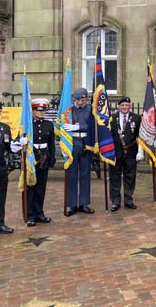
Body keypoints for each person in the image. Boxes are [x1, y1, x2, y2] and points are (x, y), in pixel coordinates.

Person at [63, 87, 96, 216]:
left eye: (82, 100)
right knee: (71, 175)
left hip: (85, 144)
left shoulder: (90, 109)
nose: (80, 102)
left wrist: (78, 126)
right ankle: (71, 204)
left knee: (85, 174)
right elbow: (63, 124)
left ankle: (84, 203)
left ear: (85, 98)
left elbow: (92, 125)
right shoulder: (69, 110)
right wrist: (64, 147)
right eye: (77, 100)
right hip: (73, 143)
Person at [26, 98, 56, 226]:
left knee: (41, 187)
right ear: (33, 111)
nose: (41, 113)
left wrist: (52, 158)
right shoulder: (28, 124)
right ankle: (30, 215)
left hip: (43, 157)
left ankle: (39, 213)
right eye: (39, 110)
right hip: (32, 157)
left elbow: (51, 143)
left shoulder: (48, 124)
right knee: (31, 187)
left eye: (43, 110)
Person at [109, 97, 141, 212]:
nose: (124, 107)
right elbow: (108, 136)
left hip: (131, 151)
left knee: (130, 176)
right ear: (118, 106)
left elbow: (140, 136)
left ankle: (128, 200)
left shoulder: (137, 118)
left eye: (127, 105)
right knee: (114, 177)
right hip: (115, 152)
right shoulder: (112, 119)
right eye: (122, 105)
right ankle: (115, 201)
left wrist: (140, 152)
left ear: (130, 106)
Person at [0, 100, 16, 233]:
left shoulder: (4, 128)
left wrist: (17, 145)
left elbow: (9, 147)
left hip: (0, 169)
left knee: (0, 199)